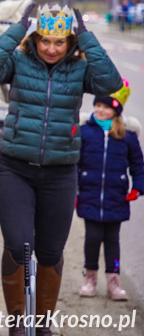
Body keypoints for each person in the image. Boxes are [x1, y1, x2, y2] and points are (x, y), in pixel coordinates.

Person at [0, 4, 122, 336]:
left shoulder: (80, 69)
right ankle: (18, 323)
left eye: (60, 42)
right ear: (35, 38)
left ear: (69, 41)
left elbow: (110, 82)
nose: (52, 49)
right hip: (14, 169)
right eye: (45, 41)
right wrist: (17, 28)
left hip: (60, 173)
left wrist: (87, 38)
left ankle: (41, 325)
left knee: (51, 251)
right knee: (19, 245)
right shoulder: (19, 61)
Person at [76, 79, 144, 301]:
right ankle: (90, 277)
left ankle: (114, 280)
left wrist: (138, 188)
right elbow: (74, 163)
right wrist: (73, 191)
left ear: (116, 111)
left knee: (113, 240)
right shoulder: (84, 133)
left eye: (105, 107)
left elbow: (138, 165)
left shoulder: (127, 137)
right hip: (89, 194)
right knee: (93, 237)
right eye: (97, 105)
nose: (100, 110)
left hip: (116, 196)